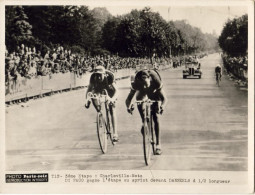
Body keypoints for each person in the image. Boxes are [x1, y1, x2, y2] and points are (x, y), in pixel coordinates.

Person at [125, 69, 167, 155]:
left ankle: (158, 144)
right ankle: (144, 122)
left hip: (154, 91)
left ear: (149, 78)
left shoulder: (156, 80)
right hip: (141, 92)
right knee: (139, 101)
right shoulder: (136, 82)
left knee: (155, 116)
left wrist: (162, 106)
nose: (146, 85)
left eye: (147, 82)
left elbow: (164, 99)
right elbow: (128, 99)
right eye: (144, 83)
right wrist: (129, 107)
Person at [85, 65, 119, 142]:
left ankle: (115, 133)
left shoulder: (109, 76)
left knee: (112, 109)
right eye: (96, 75)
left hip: (109, 89)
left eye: (100, 75)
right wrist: (87, 101)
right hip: (99, 88)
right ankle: (99, 112)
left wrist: (112, 99)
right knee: (93, 95)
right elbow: (89, 90)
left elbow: (117, 91)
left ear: (104, 74)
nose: (98, 77)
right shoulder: (93, 78)